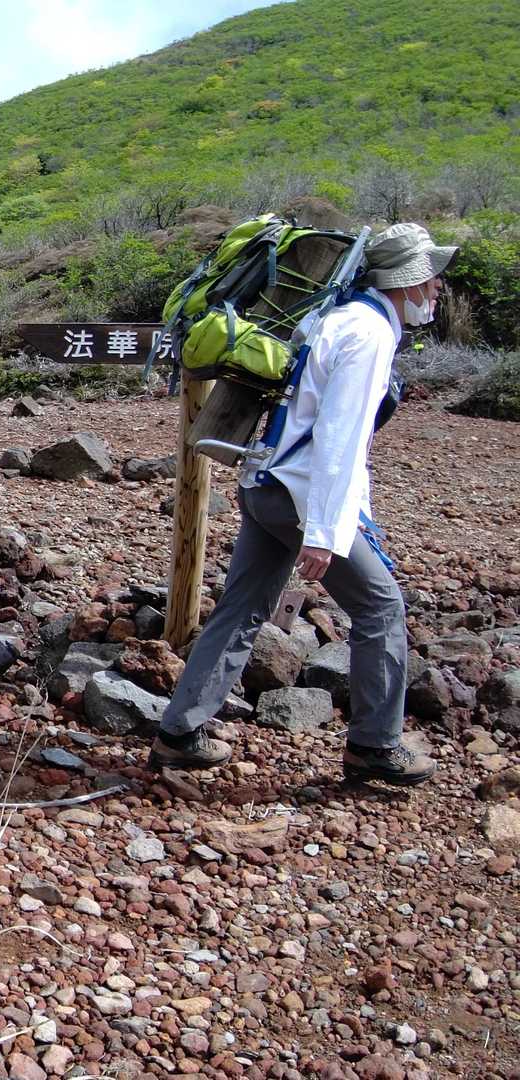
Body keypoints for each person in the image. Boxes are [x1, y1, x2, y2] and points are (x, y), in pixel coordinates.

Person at [150, 222, 452, 786]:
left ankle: (178, 734)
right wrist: (324, 532)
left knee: (242, 608)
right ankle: (375, 745)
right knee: (381, 607)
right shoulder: (369, 333)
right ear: (408, 281)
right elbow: (339, 437)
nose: (437, 288)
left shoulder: (334, 316)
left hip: (264, 482)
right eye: (432, 277)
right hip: (298, 494)